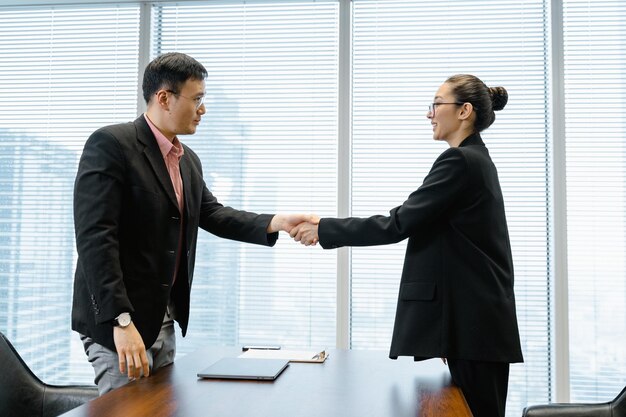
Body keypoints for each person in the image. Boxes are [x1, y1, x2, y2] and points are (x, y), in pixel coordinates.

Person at [72, 52, 313, 394]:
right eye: (197, 99)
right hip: (119, 322)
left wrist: (278, 222)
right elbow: (95, 237)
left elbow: (213, 214)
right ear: (164, 98)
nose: (203, 109)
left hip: (162, 318)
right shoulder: (112, 144)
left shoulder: (188, 161)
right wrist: (120, 320)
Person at [291, 74, 524, 417]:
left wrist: (323, 228)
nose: (429, 114)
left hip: (475, 327)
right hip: (474, 325)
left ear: (464, 111)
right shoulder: (474, 160)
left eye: (436, 104)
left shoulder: (460, 161)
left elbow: (399, 223)